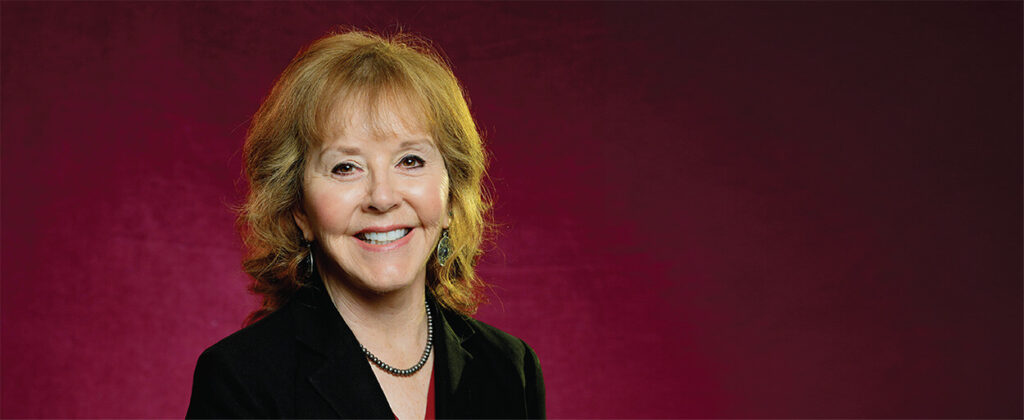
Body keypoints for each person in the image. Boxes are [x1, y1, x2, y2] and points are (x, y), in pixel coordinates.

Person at [185, 30, 544, 419]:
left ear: (451, 196)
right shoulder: (241, 380)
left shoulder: (510, 369)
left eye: (410, 161)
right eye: (345, 167)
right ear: (299, 209)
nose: (382, 197)